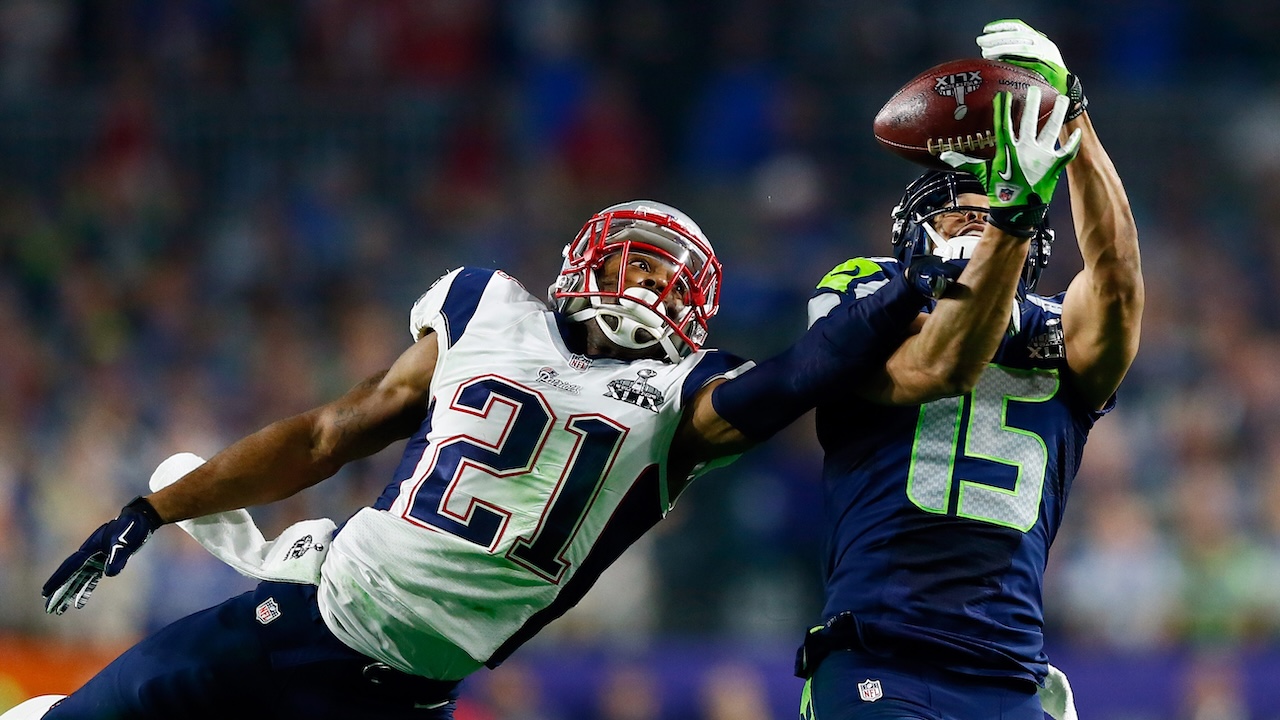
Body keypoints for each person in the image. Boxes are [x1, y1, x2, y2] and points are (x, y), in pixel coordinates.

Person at [15, 197, 980, 720]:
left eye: (668, 274)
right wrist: (155, 511)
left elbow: (796, 377)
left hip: (412, 693)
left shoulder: (683, 401)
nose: (648, 280)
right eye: (636, 257)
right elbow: (326, 434)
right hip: (306, 623)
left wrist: (901, 295)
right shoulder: (488, 310)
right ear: (583, 258)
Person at [791, 19, 1143, 720]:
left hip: (1011, 674)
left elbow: (1118, 285)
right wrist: (1008, 226)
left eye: (999, 208)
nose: (982, 222)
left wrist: (1072, 117)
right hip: (883, 657)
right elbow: (938, 365)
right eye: (960, 218)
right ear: (915, 235)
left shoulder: (1054, 324)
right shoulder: (868, 288)